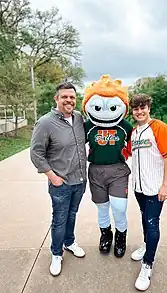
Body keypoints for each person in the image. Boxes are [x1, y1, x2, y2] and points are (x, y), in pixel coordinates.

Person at [30, 82, 87, 276]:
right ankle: (56, 253)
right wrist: (52, 177)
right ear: (56, 99)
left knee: (72, 215)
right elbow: (36, 153)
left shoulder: (79, 118)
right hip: (60, 183)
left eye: (72, 97)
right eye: (64, 97)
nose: (69, 100)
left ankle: (69, 242)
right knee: (60, 219)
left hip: (80, 180)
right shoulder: (45, 122)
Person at [128, 94, 167, 291]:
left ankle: (147, 264)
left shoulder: (158, 127)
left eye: (143, 108)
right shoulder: (134, 132)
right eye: (136, 109)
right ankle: (147, 245)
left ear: (149, 108)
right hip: (139, 187)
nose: (139, 112)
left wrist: (166, 184)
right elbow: (130, 154)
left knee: (151, 222)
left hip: (155, 188)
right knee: (144, 218)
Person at [82, 74, 133, 257]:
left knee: (119, 207)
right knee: (102, 207)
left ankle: (121, 236)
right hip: (96, 170)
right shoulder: (87, 126)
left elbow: (134, 143)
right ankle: (106, 235)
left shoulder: (125, 126)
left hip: (118, 170)